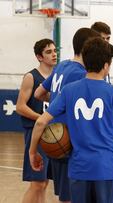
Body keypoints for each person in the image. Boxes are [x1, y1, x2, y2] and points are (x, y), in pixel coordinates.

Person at [29, 37, 113, 203]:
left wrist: (32, 152)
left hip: (79, 169)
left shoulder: (68, 91)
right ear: (106, 66)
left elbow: (40, 122)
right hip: (106, 170)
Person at [34, 27, 100, 203]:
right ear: (87, 47)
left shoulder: (62, 66)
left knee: (65, 197)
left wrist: (56, 102)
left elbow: (38, 93)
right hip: (69, 143)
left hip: (56, 138)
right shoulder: (81, 74)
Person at [16, 38, 57, 203]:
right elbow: (20, 106)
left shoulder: (57, 77)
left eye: (55, 51)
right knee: (37, 183)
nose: (54, 54)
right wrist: (42, 118)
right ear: (39, 57)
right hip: (36, 134)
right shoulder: (31, 77)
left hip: (52, 134)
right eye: (49, 52)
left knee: (44, 183)